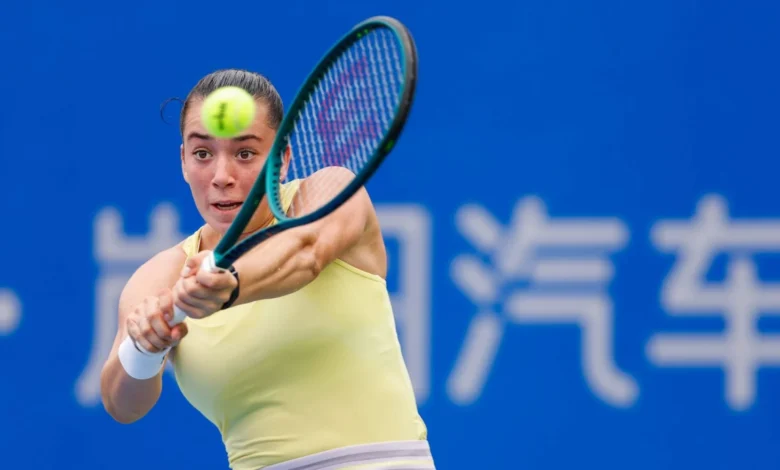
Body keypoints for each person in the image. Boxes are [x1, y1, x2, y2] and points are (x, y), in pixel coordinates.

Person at [99, 69, 434, 470]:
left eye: (245, 153)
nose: (222, 177)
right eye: (203, 153)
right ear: (183, 161)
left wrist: (229, 285)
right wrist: (143, 349)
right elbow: (121, 405)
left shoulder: (330, 194)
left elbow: (303, 253)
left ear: (282, 158)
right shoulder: (160, 275)